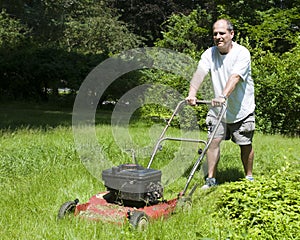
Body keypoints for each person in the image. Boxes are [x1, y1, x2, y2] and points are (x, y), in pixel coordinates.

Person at [186, 19, 255, 189]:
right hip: (217, 110)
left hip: (241, 109)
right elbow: (199, 74)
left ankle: (248, 176)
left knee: (244, 143)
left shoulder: (242, 53)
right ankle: (211, 179)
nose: (218, 37)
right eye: (215, 33)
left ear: (231, 34)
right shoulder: (209, 53)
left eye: (222, 33)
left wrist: (223, 96)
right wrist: (191, 94)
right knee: (213, 142)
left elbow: (235, 77)